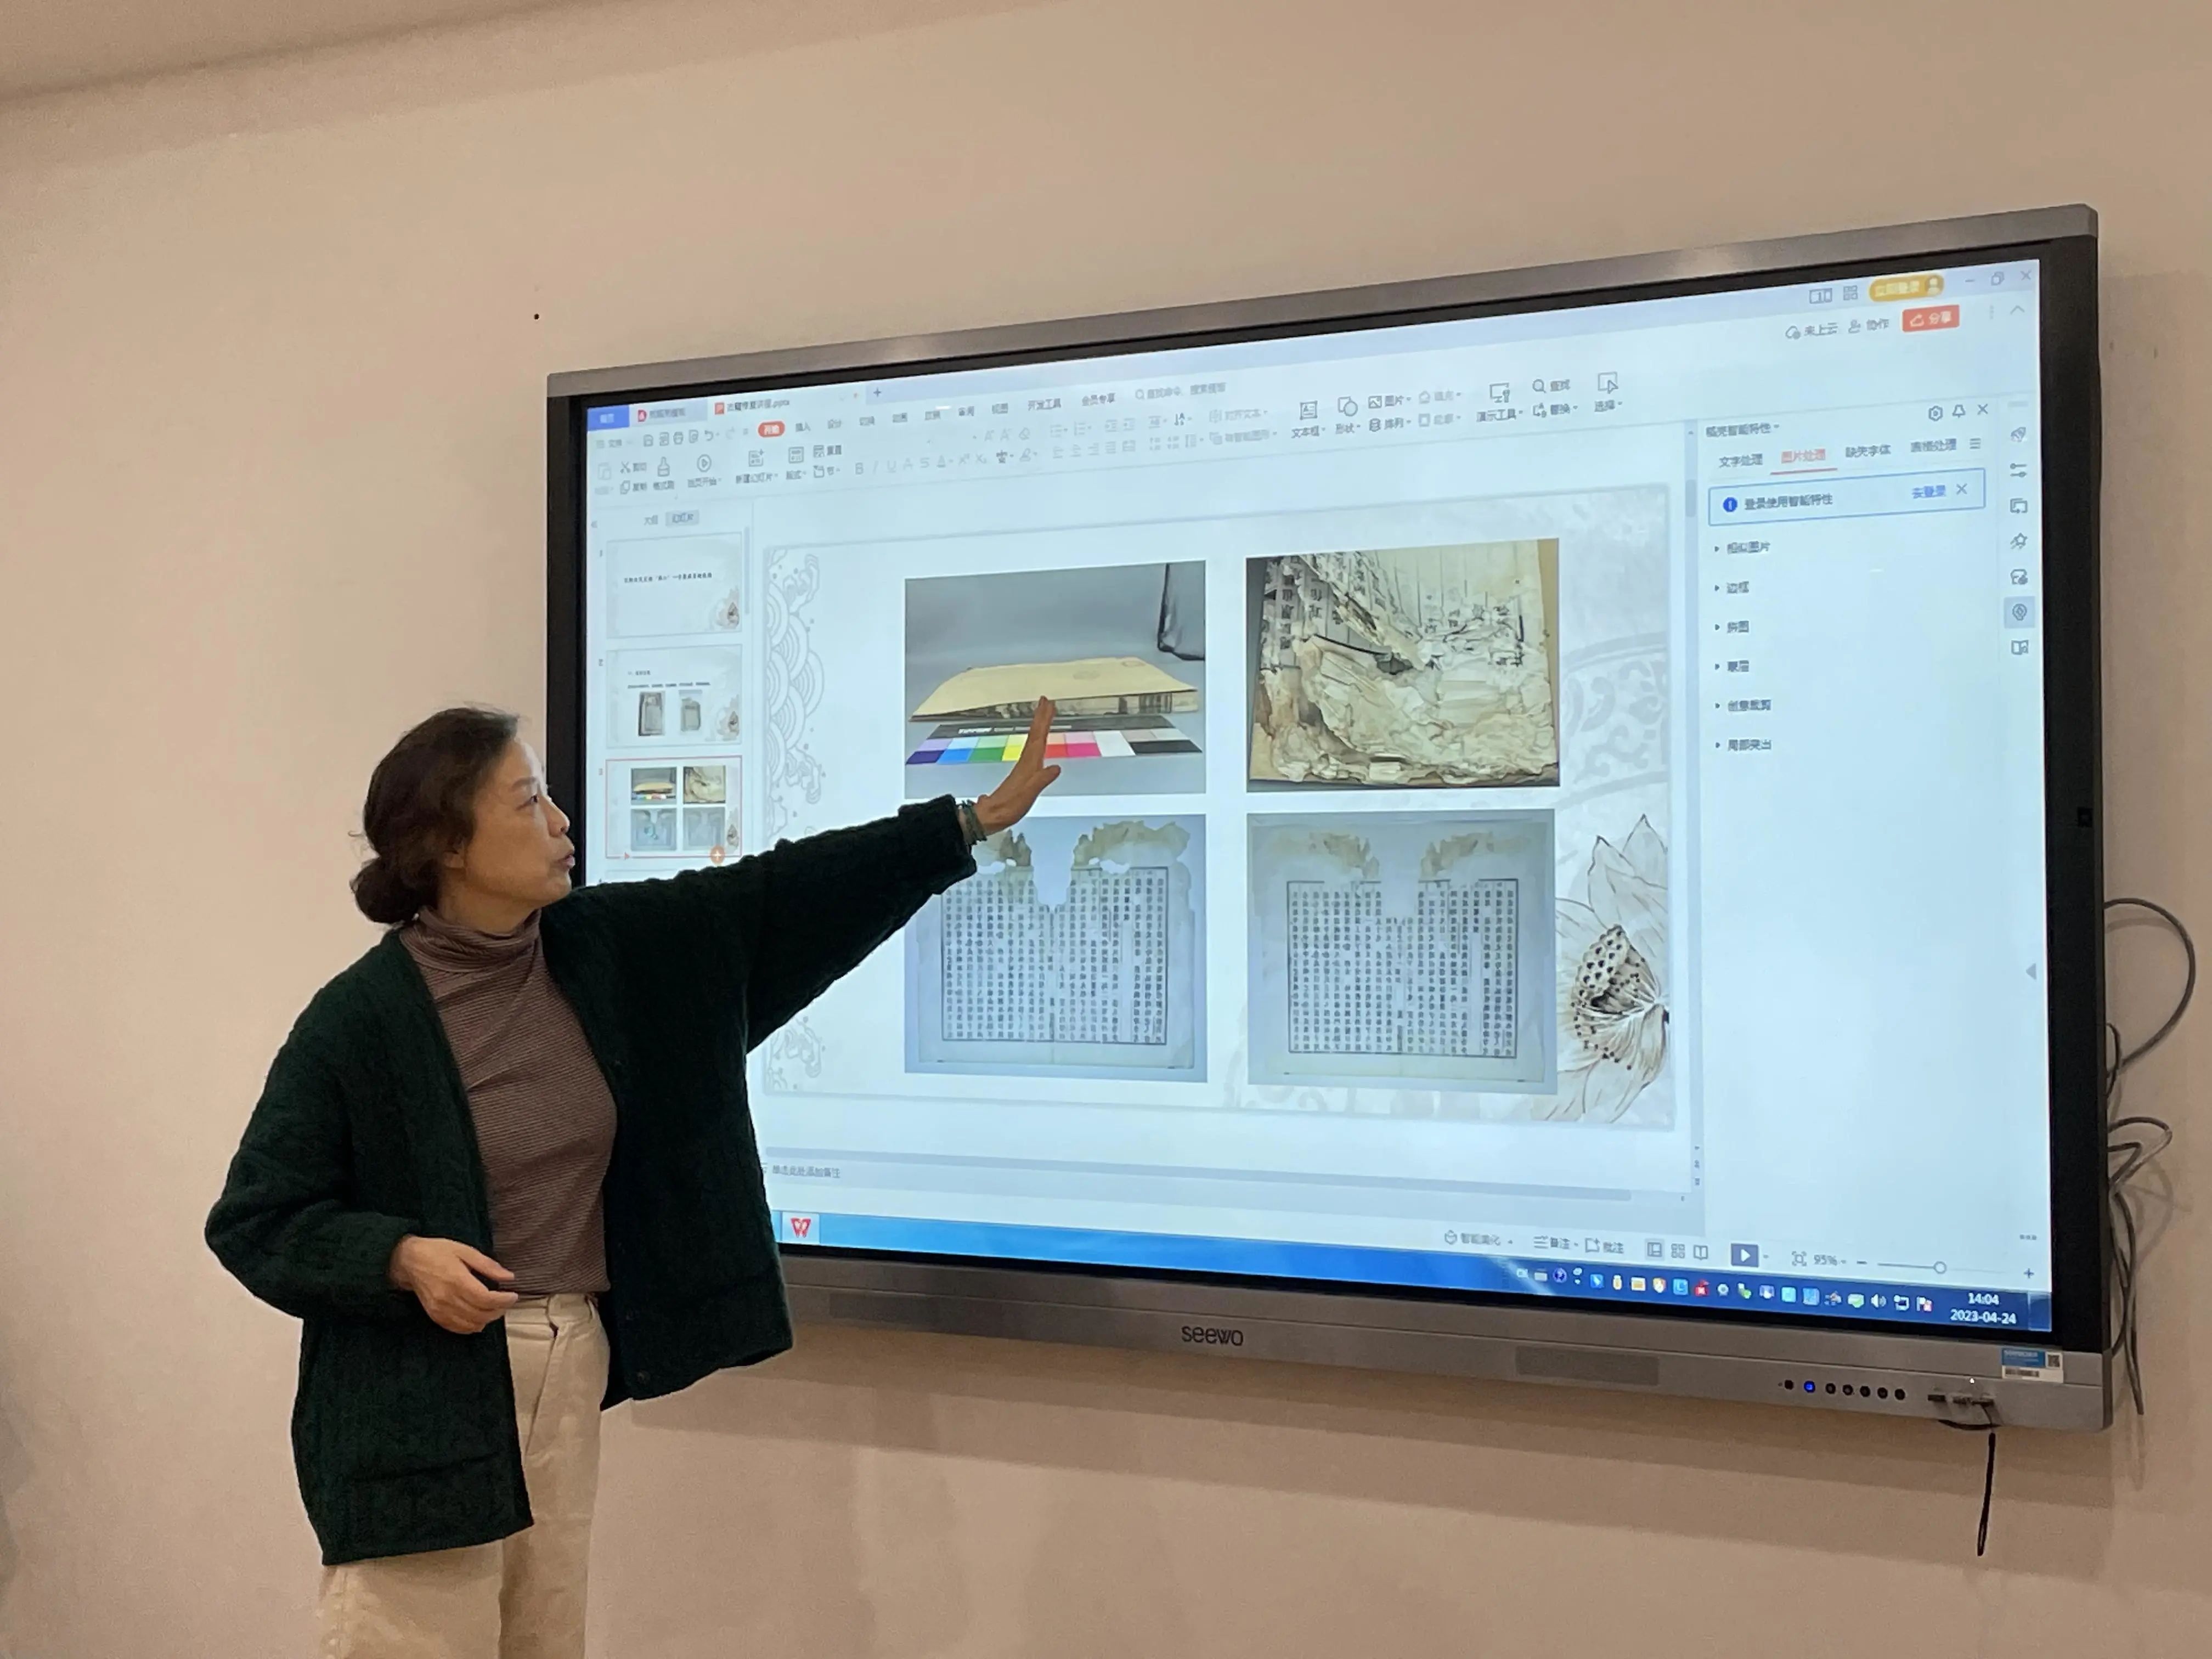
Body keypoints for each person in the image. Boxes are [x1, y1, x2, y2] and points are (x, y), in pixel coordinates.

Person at [206, 698, 1060, 1657]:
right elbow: (257, 1219)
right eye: (528, 802)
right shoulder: (359, 1021)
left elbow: (778, 896)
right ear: (447, 844)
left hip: (567, 1355)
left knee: (546, 1641)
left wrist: (964, 825)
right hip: (415, 1399)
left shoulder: (607, 949)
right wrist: (400, 1258)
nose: (560, 821)